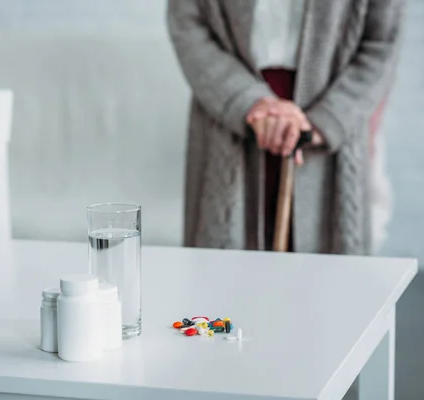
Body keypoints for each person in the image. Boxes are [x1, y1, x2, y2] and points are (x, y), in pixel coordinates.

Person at [167, 0, 404, 255]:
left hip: (328, 124)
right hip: (231, 117)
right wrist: (248, 102)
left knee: (328, 281)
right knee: (224, 273)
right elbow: (188, 23)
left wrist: (326, 120)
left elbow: (382, 42)